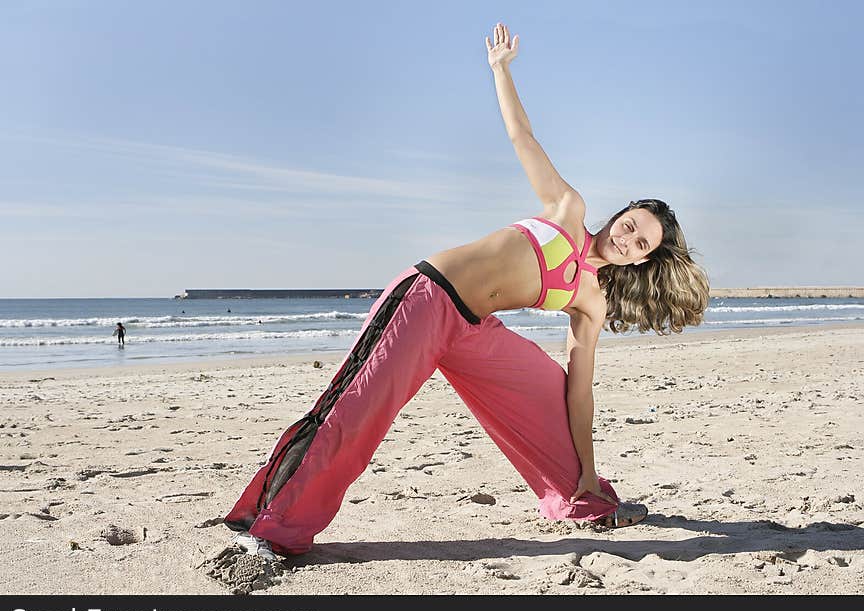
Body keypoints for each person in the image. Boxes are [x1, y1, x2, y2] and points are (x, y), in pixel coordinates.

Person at [224, 22, 710, 560]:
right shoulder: (569, 210)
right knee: (356, 416)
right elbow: (523, 138)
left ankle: (583, 497)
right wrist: (501, 70)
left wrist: (591, 467)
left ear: (644, 259)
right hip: (426, 299)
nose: (628, 239)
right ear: (620, 213)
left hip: (475, 330)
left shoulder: (590, 300)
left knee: (551, 392)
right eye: (631, 224)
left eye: (641, 243)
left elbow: (581, 393)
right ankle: (271, 526)